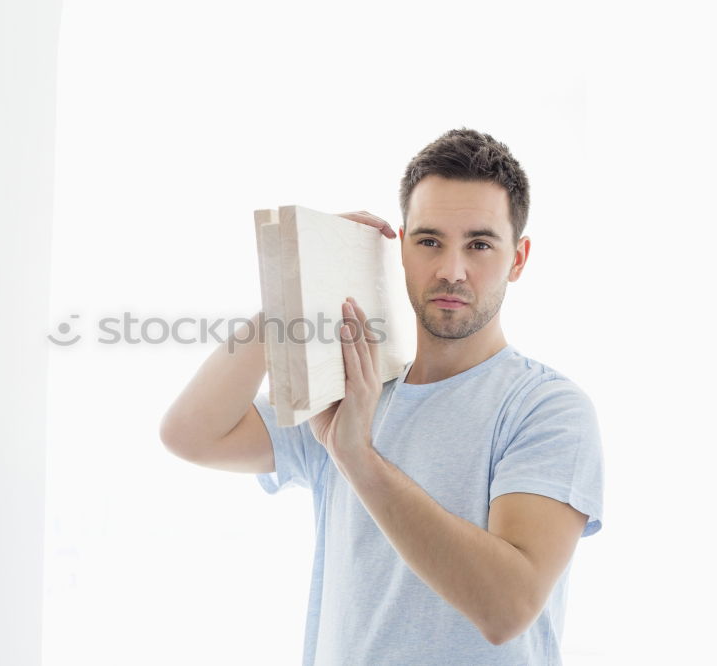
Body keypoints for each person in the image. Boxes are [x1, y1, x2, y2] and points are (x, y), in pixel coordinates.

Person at [159, 128, 604, 665]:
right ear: (401, 249)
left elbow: (506, 609)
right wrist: (292, 284)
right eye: (429, 241)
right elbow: (190, 434)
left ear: (518, 258)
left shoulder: (546, 409)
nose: (451, 270)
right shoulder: (353, 389)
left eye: (480, 244)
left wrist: (358, 458)